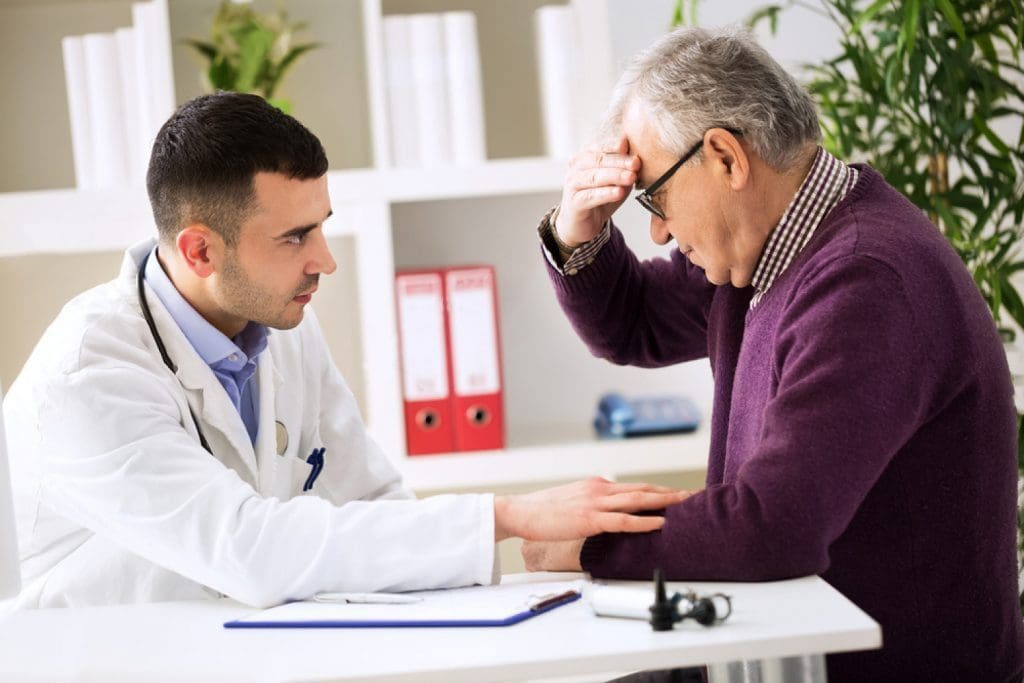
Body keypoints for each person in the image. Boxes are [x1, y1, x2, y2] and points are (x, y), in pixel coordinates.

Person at [1, 92, 686, 610]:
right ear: (200, 249)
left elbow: (372, 500)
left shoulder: (278, 323)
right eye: (295, 237)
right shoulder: (86, 376)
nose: (325, 261)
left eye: (322, 226)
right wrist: (506, 515)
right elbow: (251, 547)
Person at [526, 25, 1024, 682]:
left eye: (656, 196)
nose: (658, 229)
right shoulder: (766, 251)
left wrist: (590, 539)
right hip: (784, 648)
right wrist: (576, 227)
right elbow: (632, 325)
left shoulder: (866, 281)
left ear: (727, 158)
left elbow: (772, 525)